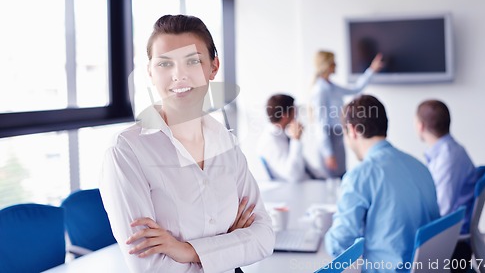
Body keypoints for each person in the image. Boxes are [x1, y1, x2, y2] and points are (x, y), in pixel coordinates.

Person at [100, 14, 274, 273]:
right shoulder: (126, 150)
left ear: (213, 67)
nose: (178, 76)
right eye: (164, 64)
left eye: (192, 61)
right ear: (150, 71)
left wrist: (187, 251)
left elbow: (263, 237)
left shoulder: (226, 142)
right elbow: (149, 266)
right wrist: (229, 246)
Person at [324, 95, 440, 272]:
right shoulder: (420, 167)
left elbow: (338, 245)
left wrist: (324, 229)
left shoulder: (360, 175)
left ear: (352, 130)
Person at [415, 99, 477, 269]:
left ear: (420, 126)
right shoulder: (449, 150)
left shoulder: (447, 159)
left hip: (453, 243)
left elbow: (443, 210)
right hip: (454, 234)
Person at [310, 50, 383, 178]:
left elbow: (355, 89)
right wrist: (328, 153)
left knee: (341, 176)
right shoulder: (320, 90)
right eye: (333, 62)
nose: (336, 65)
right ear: (327, 65)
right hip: (329, 139)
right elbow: (320, 123)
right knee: (332, 181)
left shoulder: (330, 86)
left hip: (337, 136)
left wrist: (371, 70)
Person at [257, 94, 322, 182]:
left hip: (311, 183)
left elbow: (308, 168)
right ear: (285, 115)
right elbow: (294, 175)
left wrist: (324, 178)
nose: (297, 115)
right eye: (294, 110)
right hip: (299, 188)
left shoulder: (282, 135)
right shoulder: (270, 141)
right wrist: (296, 140)